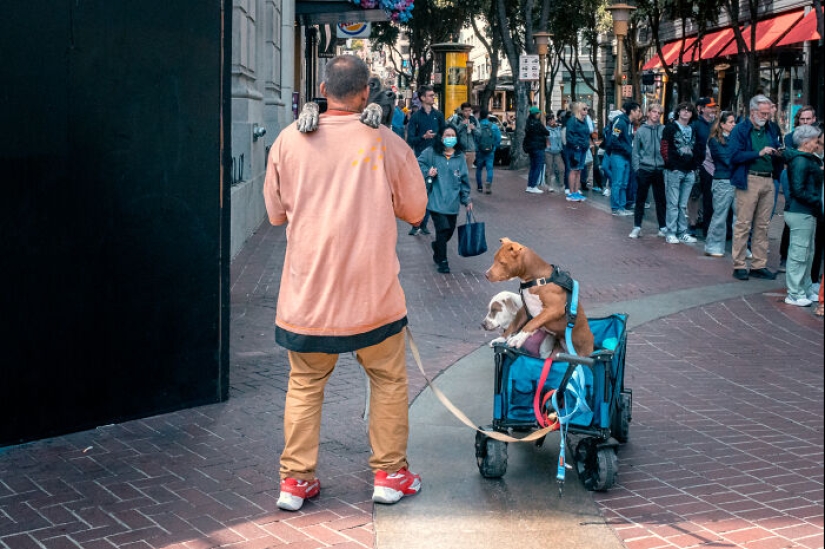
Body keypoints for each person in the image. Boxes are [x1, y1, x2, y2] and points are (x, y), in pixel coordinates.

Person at [262, 55, 427, 512]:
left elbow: (275, 215)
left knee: (304, 383)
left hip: (308, 298)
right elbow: (416, 212)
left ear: (322, 88)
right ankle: (390, 474)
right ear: (365, 93)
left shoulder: (287, 142)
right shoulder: (387, 143)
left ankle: (295, 481)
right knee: (388, 380)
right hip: (373, 299)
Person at [728, 94, 784, 281]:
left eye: (768, 113)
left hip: (768, 179)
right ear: (753, 111)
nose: (766, 116)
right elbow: (734, 156)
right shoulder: (741, 130)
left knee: (763, 225)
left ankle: (759, 264)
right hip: (749, 178)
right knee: (743, 223)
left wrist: (777, 154)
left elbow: (777, 147)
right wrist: (758, 153)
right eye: (763, 113)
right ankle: (739, 264)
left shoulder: (771, 128)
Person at [418, 124, 473, 274]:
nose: (450, 138)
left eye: (452, 135)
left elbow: (464, 179)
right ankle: (443, 261)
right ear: (441, 138)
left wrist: (466, 199)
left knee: (448, 231)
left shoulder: (459, 156)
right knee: (442, 229)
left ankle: (437, 246)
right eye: (447, 135)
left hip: (452, 202)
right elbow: (418, 162)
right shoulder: (432, 153)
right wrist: (427, 172)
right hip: (436, 199)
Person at [781, 124, 823, 306]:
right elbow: (798, 190)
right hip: (801, 211)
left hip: (805, 211)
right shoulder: (801, 161)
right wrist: (815, 200)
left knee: (807, 252)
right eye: (815, 141)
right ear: (806, 143)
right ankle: (794, 292)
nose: (817, 144)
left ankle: (803, 289)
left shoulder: (805, 159)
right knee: (799, 253)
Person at [406, 85, 445, 235]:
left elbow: (445, 133)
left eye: (433, 95)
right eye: (430, 95)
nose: (432, 97)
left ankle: (422, 223)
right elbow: (410, 139)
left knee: (432, 191)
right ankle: (419, 222)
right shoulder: (416, 117)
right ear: (422, 98)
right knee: (423, 192)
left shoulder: (438, 115)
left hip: (437, 158)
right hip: (422, 160)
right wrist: (424, 137)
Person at [661, 102, 700, 244]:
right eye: (683, 110)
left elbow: (696, 148)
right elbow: (664, 148)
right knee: (673, 203)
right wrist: (671, 166)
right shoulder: (670, 128)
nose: (685, 113)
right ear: (678, 112)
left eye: (689, 111)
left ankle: (682, 231)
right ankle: (671, 231)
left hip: (688, 170)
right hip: (674, 170)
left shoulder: (692, 129)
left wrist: (693, 167)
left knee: (682, 204)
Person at [629, 103, 667, 238]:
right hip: (645, 168)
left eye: (659, 113)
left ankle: (662, 227)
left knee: (661, 199)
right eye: (654, 112)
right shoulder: (641, 131)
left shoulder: (664, 129)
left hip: (660, 169)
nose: (656, 115)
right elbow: (636, 152)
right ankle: (637, 226)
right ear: (649, 113)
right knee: (641, 199)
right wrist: (637, 169)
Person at [703, 111, 737, 257]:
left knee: (740, 216)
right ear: (722, 124)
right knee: (720, 215)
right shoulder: (715, 140)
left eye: (734, 122)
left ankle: (741, 247)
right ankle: (713, 246)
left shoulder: (736, 139)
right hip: (723, 179)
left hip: (736, 179)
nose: (733, 124)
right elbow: (726, 159)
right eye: (730, 122)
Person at [690, 97, 719, 237]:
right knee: (695, 195)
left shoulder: (716, 124)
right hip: (698, 164)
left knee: (709, 197)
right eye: (710, 107)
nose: (713, 109)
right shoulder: (695, 124)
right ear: (701, 109)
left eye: (714, 107)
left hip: (712, 166)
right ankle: (692, 224)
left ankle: (706, 224)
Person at [609, 101, 642, 216]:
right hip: (619, 156)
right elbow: (614, 139)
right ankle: (615, 207)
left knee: (623, 183)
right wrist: (627, 149)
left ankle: (621, 207)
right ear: (632, 111)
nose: (639, 113)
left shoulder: (629, 123)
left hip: (625, 156)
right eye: (638, 111)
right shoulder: (621, 122)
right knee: (618, 182)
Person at [448, 102, 480, 185]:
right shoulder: (456, 119)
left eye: (469, 110)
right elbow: (452, 132)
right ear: (462, 111)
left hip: (471, 150)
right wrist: (461, 125)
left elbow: (480, 134)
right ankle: (456, 190)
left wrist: (474, 129)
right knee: (457, 172)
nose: (468, 113)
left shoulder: (474, 119)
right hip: (459, 150)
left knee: (466, 173)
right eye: (465, 111)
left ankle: (464, 193)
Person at [565, 102, 591, 202]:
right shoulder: (573, 121)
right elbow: (569, 136)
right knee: (573, 170)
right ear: (578, 110)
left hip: (583, 148)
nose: (586, 111)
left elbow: (587, 134)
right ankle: (571, 193)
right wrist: (577, 145)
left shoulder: (584, 121)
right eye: (584, 109)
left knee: (579, 170)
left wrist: (586, 144)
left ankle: (576, 191)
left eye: (586, 109)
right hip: (575, 149)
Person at [475, 109, 502, 194]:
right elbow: (498, 138)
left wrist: (477, 148)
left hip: (480, 151)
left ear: (480, 116)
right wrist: (493, 147)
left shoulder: (477, 126)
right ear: (487, 116)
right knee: (489, 169)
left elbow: (475, 139)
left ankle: (479, 186)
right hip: (490, 151)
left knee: (479, 169)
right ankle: (488, 186)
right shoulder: (493, 126)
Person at [524, 106, 550, 193]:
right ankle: (533, 185)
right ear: (536, 114)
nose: (539, 115)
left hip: (531, 147)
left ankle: (529, 185)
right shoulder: (537, 123)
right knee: (538, 166)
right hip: (539, 147)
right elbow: (546, 132)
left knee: (532, 167)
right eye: (538, 113)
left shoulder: (528, 123)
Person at [544, 112, 565, 193]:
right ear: (547, 121)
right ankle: (548, 185)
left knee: (561, 168)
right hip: (548, 151)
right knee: (549, 169)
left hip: (557, 151)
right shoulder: (546, 129)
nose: (552, 121)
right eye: (550, 120)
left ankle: (561, 184)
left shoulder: (558, 128)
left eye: (553, 119)